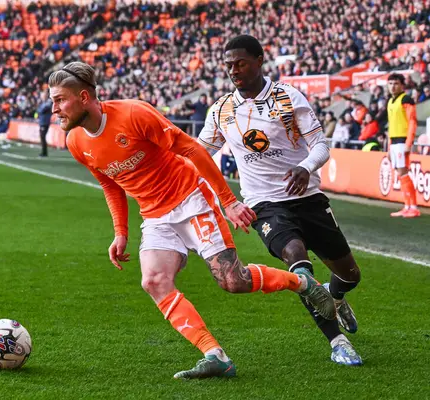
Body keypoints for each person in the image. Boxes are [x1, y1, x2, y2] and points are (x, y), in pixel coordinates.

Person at [49, 61, 336, 379]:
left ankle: (302, 283)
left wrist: (228, 202)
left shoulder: (133, 114)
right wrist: (120, 232)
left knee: (233, 281)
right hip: (155, 214)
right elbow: (109, 183)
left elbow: (192, 150)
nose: (55, 108)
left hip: (191, 199)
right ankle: (215, 355)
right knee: (154, 281)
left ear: (84, 96)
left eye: (60, 99)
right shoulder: (77, 141)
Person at [198, 35, 363, 366]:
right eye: (228, 65)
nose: (233, 70)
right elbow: (201, 153)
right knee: (295, 256)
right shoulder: (221, 110)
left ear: (260, 60)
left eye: (240, 63)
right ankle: (338, 342)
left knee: (349, 274)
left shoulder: (288, 98)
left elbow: (320, 145)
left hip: (308, 196)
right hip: (263, 203)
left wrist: (305, 166)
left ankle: (337, 295)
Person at [386, 74, 420, 218]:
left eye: (396, 83)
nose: (392, 86)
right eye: (390, 83)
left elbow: (412, 121)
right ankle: (407, 206)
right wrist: (388, 147)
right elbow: (391, 125)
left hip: (402, 141)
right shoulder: (390, 101)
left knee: (403, 173)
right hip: (394, 142)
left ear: (402, 85)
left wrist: (408, 143)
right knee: (400, 174)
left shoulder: (406, 99)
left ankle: (413, 207)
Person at [37, 90, 53, 157]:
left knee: (42, 137)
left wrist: (39, 108)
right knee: (42, 137)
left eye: (44, 95)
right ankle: (44, 152)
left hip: (45, 122)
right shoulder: (43, 103)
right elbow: (39, 110)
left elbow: (41, 110)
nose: (42, 97)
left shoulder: (48, 103)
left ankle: (44, 152)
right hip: (42, 122)